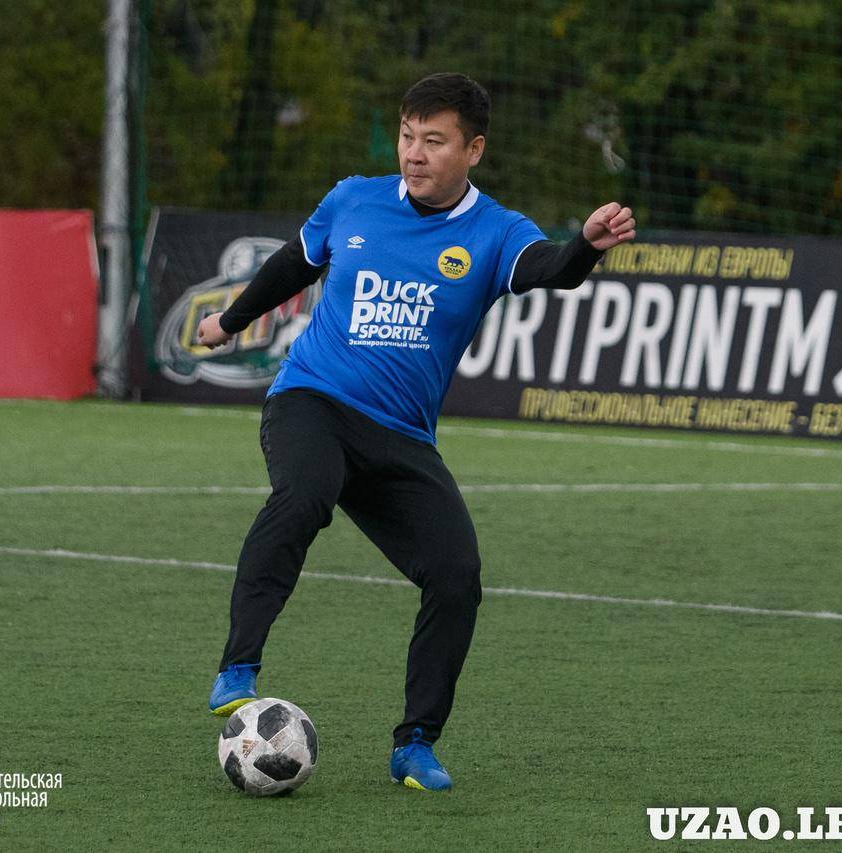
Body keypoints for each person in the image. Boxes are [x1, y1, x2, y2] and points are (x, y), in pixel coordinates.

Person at [197, 72, 635, 792]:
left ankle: (415, 744)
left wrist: (584, 245)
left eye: (434, 140)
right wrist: (232, 320)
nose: (414, 153)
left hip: (401, 437)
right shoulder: (353, 199)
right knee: (305, 494)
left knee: (456, 575)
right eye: (407, 136)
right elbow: (292, 265)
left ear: (474, 150)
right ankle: (238, 665)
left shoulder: (495, 231)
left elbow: (551, 268)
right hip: (312, 399)